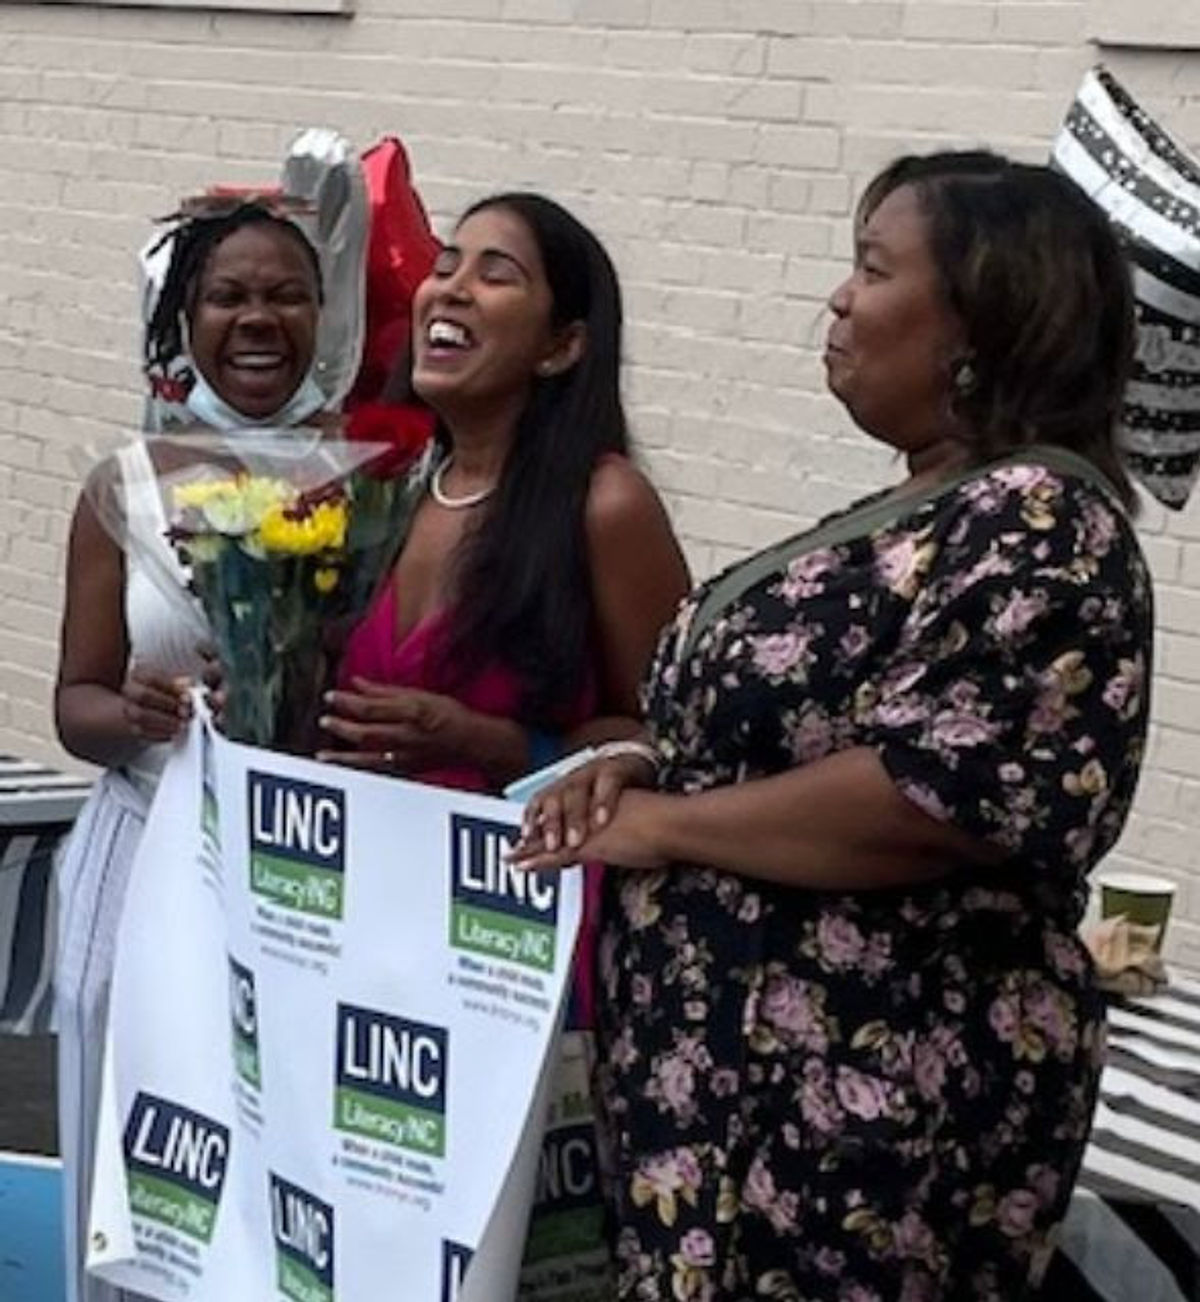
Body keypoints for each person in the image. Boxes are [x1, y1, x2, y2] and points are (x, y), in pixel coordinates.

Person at [513, 152, 1154, 1301]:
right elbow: (793, 726)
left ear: (979, 320)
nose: (840, 299)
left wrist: (667, 826)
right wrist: (642, 762)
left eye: (873, 269)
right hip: (733, 1112)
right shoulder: (924, 508)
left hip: (859, 1132)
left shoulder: (1042, 520)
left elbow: (938, 792)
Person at [318, 192, 691, 1299]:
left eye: (497, 273)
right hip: (368, 934)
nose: (452, 288)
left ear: (563, 345)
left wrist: (491, 742)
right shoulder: (381, 497)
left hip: (518, 951)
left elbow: (676, 735)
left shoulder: (604, 506)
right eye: (447, 262)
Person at [54, 196, 334, 1302]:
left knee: (277, 1164)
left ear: (322, 317)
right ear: (185, 321)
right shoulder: (120, 485)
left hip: (293, 872)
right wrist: (133, 712)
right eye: (228, 296)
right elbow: (73, 705)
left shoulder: (372, 480)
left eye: (286, 296)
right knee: (131, 1160)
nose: (258, 319)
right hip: (142, 856)